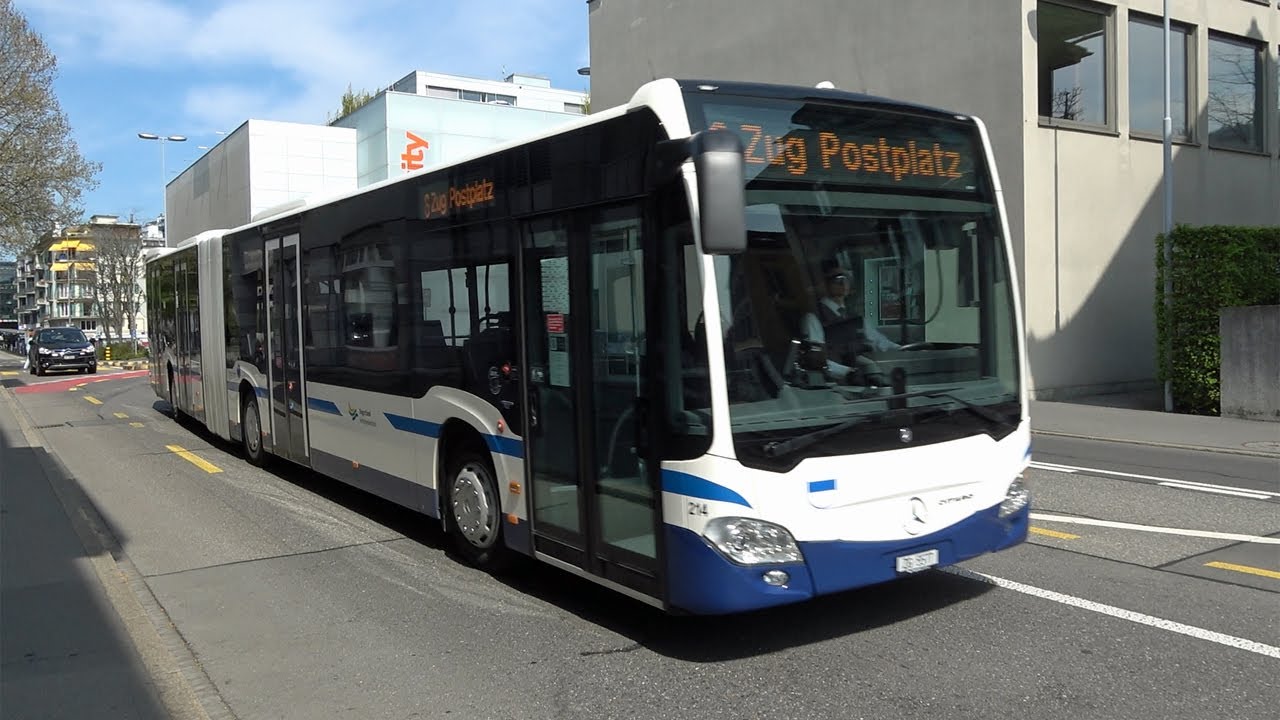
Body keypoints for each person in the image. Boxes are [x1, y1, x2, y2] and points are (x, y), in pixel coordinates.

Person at [799, 260, 899, 385]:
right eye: (837, 278)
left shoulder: (855, 318)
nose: (843, 282)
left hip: (863, 384)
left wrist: (904, 350)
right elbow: (817, 360)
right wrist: (847, 372)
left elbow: (879, 342)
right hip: (833, 388)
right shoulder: (813, 318)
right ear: (823, 284)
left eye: (846, 278)